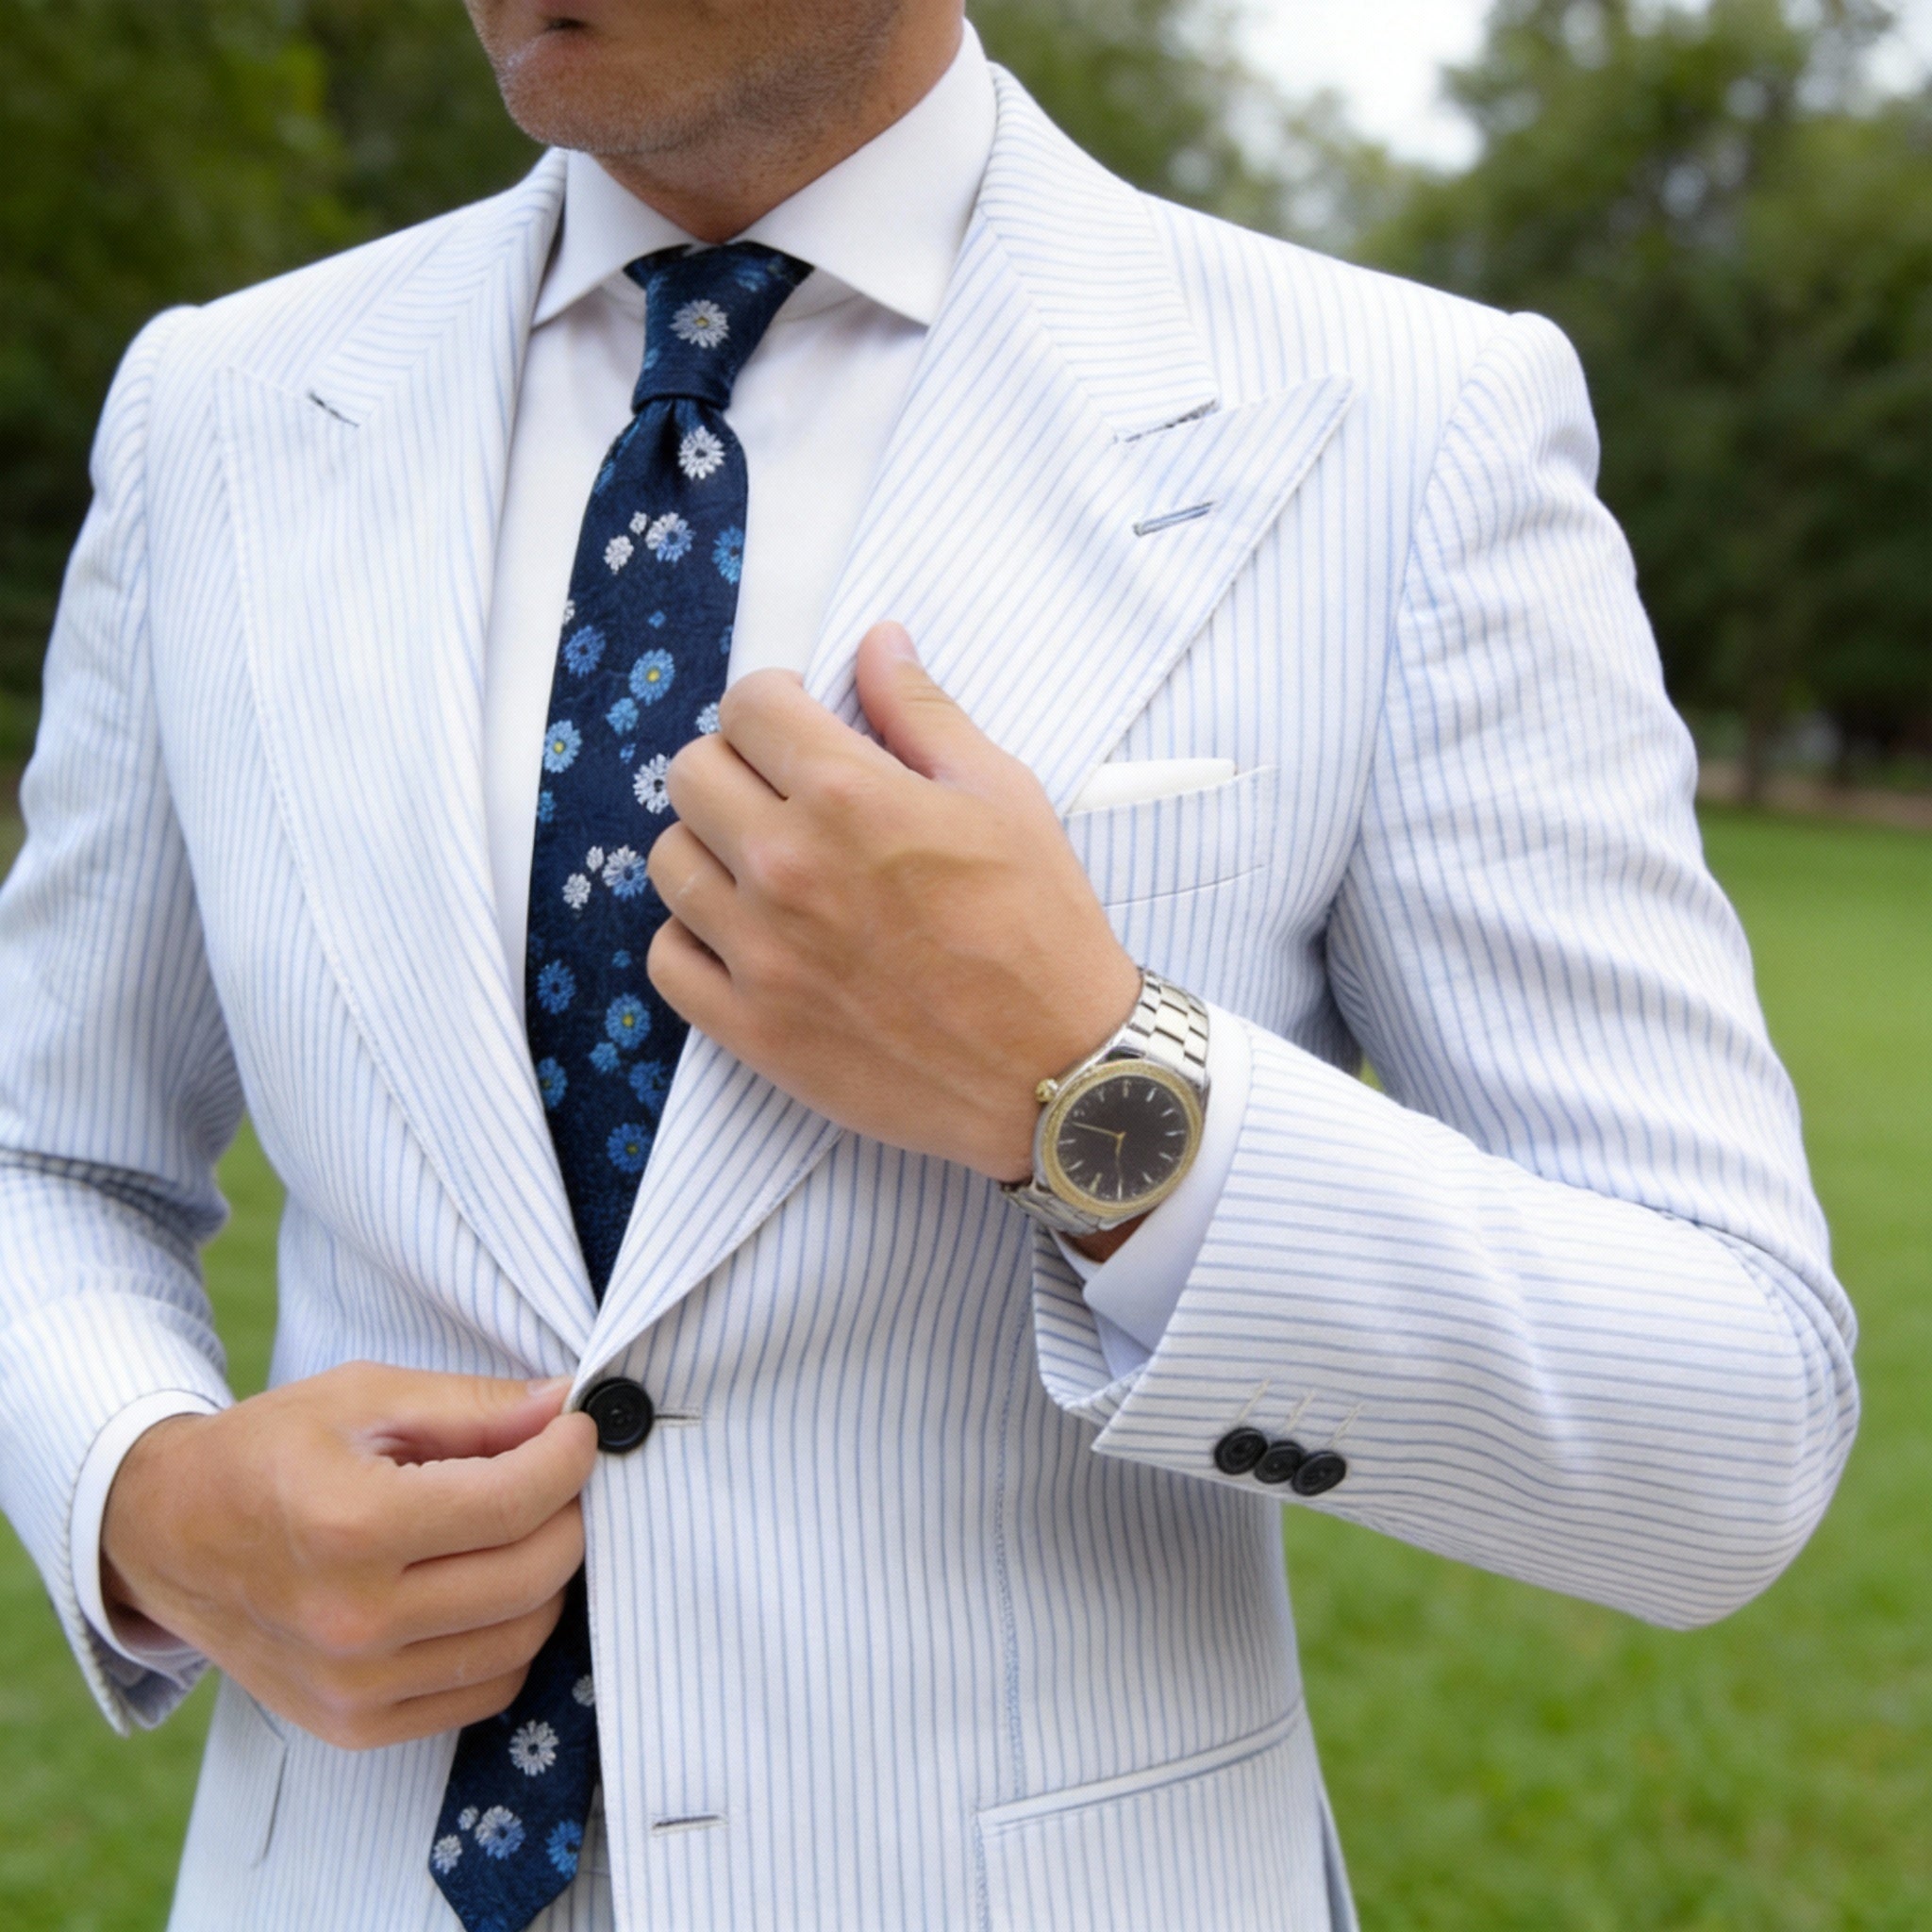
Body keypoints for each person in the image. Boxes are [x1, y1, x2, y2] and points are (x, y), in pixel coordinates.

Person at [0, 1, 1858, 1927]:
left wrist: (1089, 1084)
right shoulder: (218, 411)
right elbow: (43, 1152)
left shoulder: (1397, 427)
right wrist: (141, 1494)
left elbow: (1731, 1421)